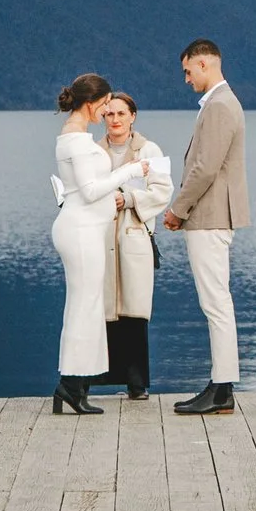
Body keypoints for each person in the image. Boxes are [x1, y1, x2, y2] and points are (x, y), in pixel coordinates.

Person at [51, 72, 148, 415]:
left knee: (85, 305)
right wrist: (130, 171)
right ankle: (71, 384)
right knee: (84, 306)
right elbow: (91, 190)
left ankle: (74, 384)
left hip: (86, 229)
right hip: (80, 231)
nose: (108, 111)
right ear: (91, 103)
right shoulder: (76, 141)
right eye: (105, 104)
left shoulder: (78, 137)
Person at [164, 38, 247, 415]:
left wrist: (178, 210)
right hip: (212, 216)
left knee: (215, 303)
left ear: (204, 64)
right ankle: (220, 386)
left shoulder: (218, 105)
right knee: (216, 301)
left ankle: (222, 389)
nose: (185, 79)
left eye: (187, 71)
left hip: (210, 216)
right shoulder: (221, 103)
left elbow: (205, 168)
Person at [99, 91, 172, 399]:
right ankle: (97, 378)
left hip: (134, 236)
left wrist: (128, 198)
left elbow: (162, 191)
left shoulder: (149, 150)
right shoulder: (94, 152)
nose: (115, 119)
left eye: (120, 114)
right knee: (103, 309)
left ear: (132, 116)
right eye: (109, 114)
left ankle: (136, 383)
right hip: (101, 238)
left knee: (134, 310)